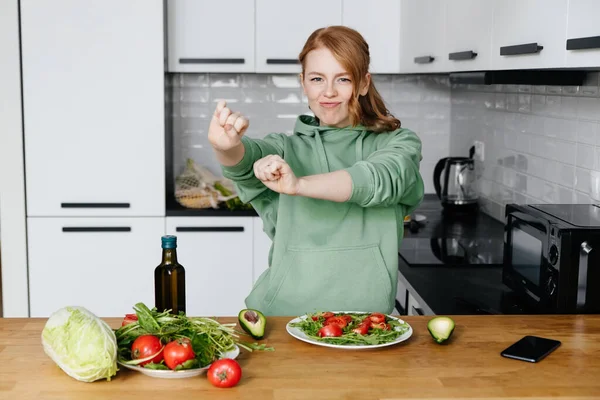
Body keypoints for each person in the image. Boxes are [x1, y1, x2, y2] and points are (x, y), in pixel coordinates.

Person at [208, 26, 424, 316]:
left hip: (366, 324)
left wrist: (300, 185)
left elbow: (379, 178)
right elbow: (245, 160)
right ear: (303, 83)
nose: (329, 92)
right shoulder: (285, 149)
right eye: (317, 79)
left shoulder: (398, 143)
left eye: (343, 78)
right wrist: (226, 146)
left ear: (363, 83)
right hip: (282, 319)